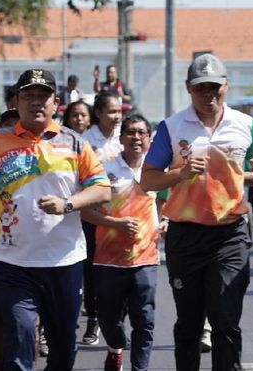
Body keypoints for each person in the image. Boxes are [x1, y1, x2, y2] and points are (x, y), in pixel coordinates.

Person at [0, 68, 111, 371]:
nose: (36, 102)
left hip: (64, 261)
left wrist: (68, 204)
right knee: (21, 334)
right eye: (28, 96)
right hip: (13, 262)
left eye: (43, 96)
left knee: (63, 344)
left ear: (56, 103)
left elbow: (102, 190)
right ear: (17, 101)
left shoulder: (75, 143)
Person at [140, 53, 253, 371]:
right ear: (188, 88)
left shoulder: (245, 125)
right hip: (186, 235)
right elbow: (148, 179)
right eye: (201, 87)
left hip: (230, 234)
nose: (208, 93)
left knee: (225, 319)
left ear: (226, 86)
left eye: (214, 86)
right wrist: (180, 173)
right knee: (188, 323)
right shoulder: (172, 128)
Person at [81, 114, 160, 371]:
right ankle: (115, 347)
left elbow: (170, 201)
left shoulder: (157, 170)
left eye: (142, 133)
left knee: (144, 319)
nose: (136, 138)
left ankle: (140, 368)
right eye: (131, 133)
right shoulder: (104, 169)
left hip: (145, 258)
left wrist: (167, 219)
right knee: (108, 320)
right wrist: (116, 224)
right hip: (108, 259)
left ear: (149, 138)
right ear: (121, 137)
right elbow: (86, 211)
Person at [80, 91, 124, 345]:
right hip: (94, 215)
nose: (116, 117)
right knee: (93, 269)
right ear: (98, 113)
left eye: (118, 112)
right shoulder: (85, 140)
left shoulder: (125, 137)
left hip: (123, 212)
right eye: (111, 112)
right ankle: (94, 319)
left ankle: (117, 317)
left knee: (124, 269)